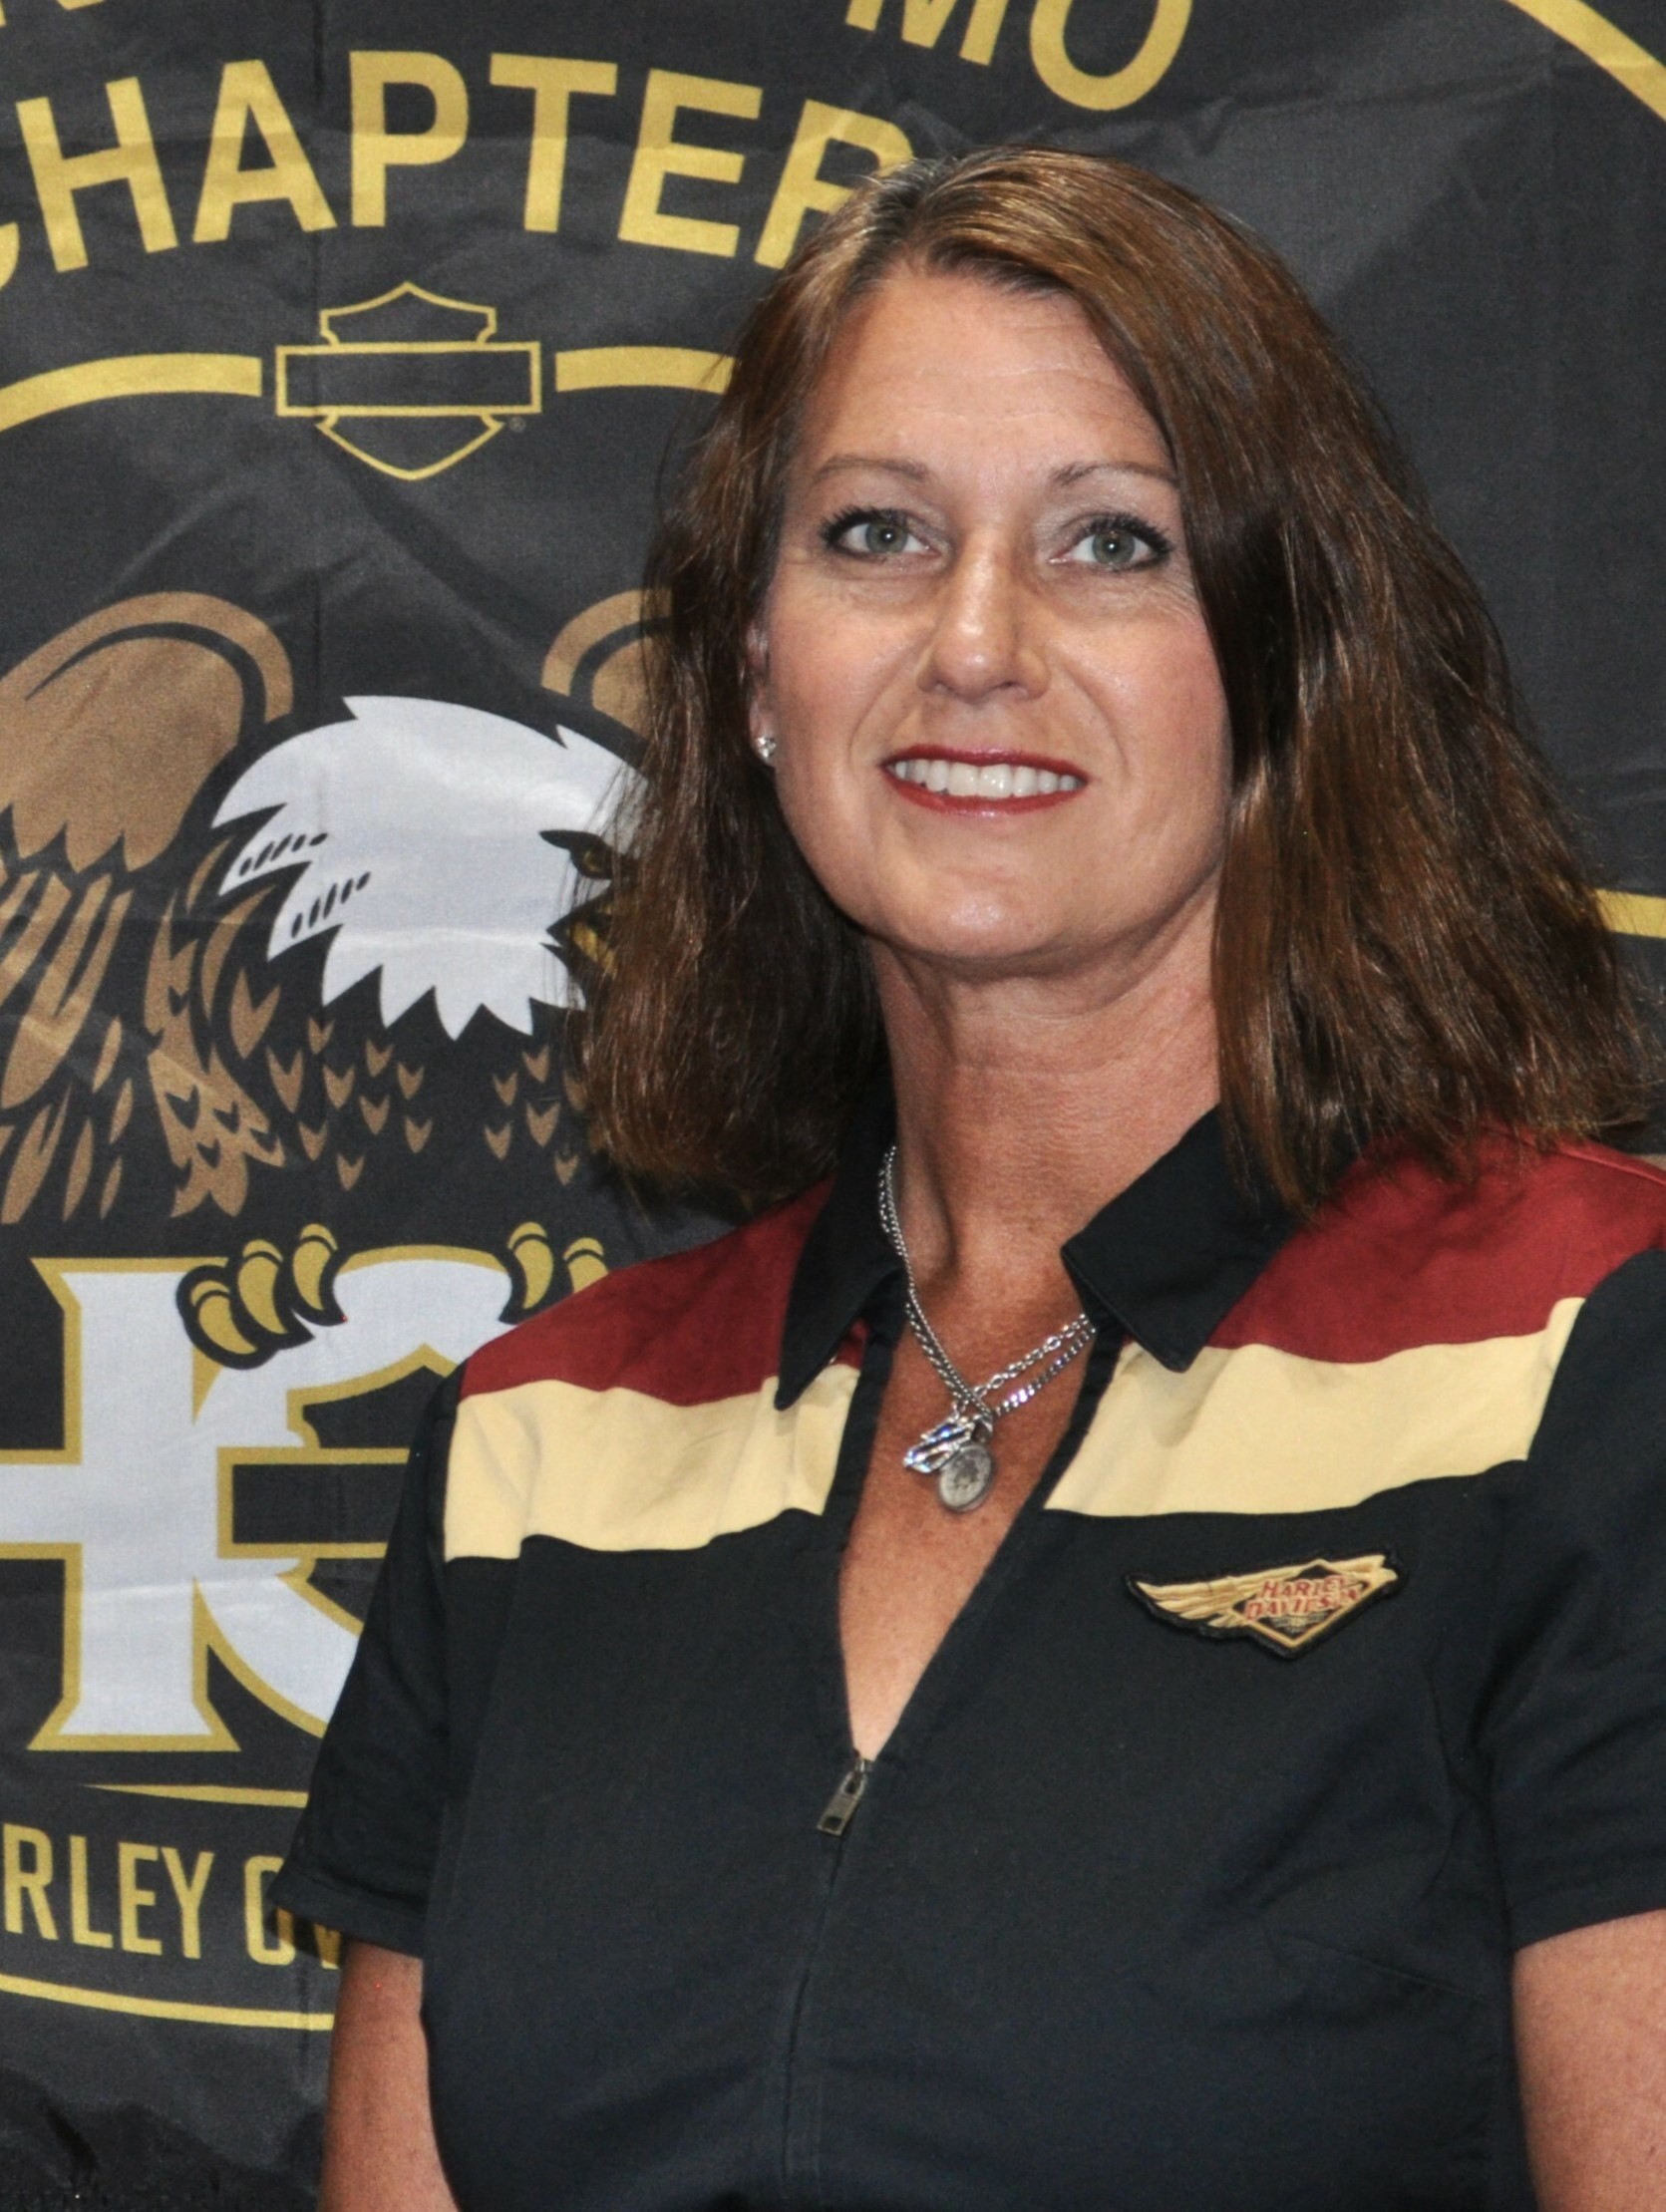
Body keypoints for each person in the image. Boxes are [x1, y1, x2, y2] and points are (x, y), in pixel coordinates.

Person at [274, 148, 1666, 2210]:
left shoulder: (1588, 1352)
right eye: (877, 535)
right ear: (756, 673)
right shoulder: (538, 1440)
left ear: (1286, 659)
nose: (977, 641)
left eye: (1111, 542)